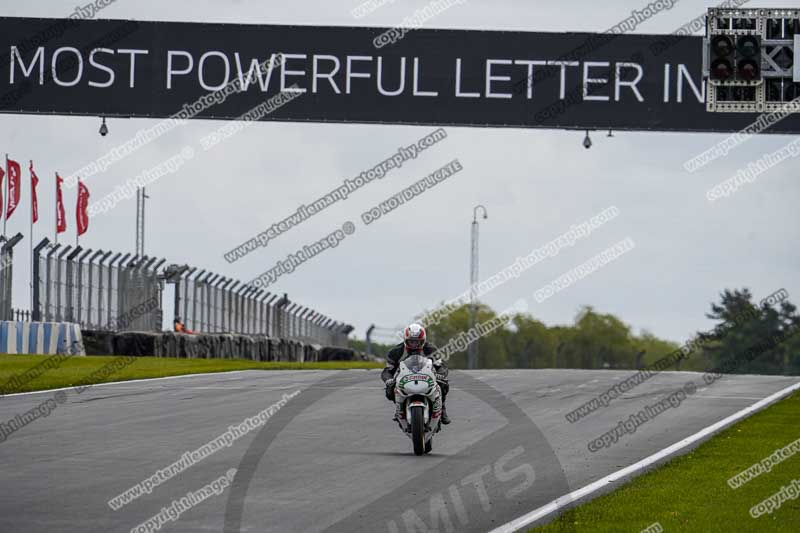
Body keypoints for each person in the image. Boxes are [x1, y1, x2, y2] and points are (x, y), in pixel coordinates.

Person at [381, 323, 450, 425]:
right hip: (404, 377)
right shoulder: (396, 352)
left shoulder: (431, 349)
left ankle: (442, 408)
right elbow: (387, 370)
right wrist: (388, 380)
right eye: (411, 341)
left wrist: (440, 374)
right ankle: (399, 409)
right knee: (389, 389)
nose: (414, 345)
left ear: (423, 340)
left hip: (427, 376)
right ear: (405, 340)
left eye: (417, 342)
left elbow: (441, 366)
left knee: (443, 384)